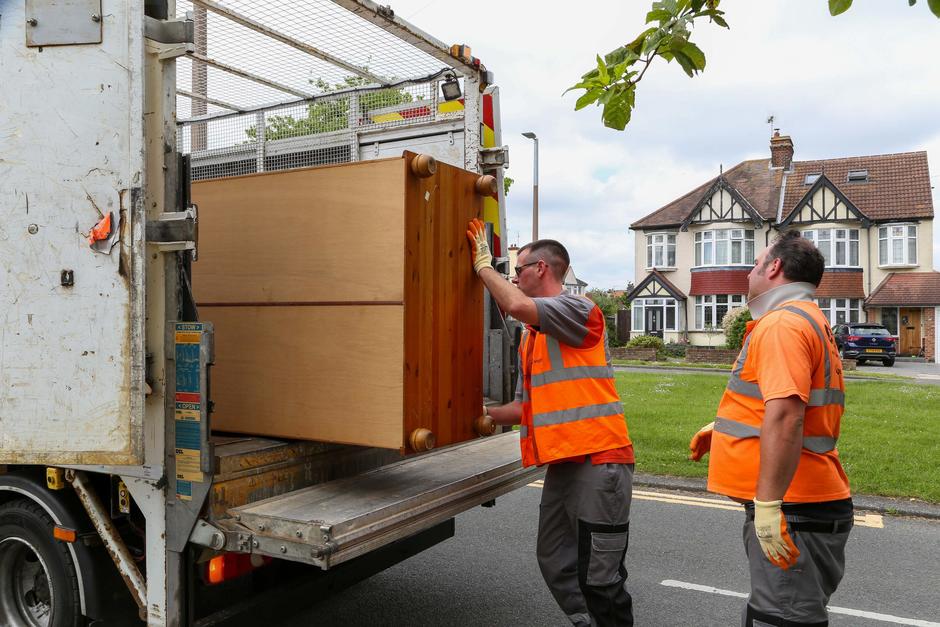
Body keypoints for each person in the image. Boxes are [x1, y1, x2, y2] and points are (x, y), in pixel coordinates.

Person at [465, 219, 635, 627]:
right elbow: (526, 407)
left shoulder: (580, 308)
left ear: (541, 269)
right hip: (565, 463)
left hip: (600, 460)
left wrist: (484, 267)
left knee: (600, 575)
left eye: (518, 270)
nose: (514, 278)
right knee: (555, 557)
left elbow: (517, 305)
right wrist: (476, 416)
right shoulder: (532, 337)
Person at [689, 230, 852, 627]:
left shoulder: (781, 324)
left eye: (755, 264)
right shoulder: (809, 319)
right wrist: (728, 430)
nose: (749, 273)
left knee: (780, 618)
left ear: (774, 267)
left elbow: (787, 415)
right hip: (806, 502)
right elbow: (795, 407)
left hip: (793, 509)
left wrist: (767, 506)